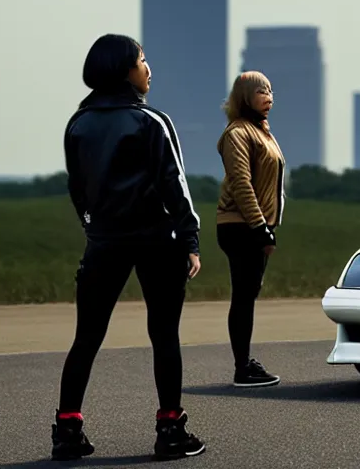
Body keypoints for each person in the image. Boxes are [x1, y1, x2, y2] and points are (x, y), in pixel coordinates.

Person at [50, 33, 205, 461]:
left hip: (103, 243)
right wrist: (190, 239)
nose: (148, 67)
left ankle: (67, 431)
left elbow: (77, 188)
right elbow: (176, 187)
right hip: (158, 242)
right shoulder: (151, 121)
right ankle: (170, 430)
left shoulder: (77, 124)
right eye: (141, 59)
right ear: (124, 70)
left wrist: (93, 227)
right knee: (164, 335)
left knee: (87, 337)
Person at [216, 70, 285, 388]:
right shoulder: (238, 133)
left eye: (270, 91)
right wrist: (259, 227)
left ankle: (244, 362)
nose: (268, 97)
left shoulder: (261, 131)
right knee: (244, 295)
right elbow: (242, 183)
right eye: (261, 91)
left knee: (248, 293)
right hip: (241, 226)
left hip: (255, 225)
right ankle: (242, 367)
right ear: (244, 96)